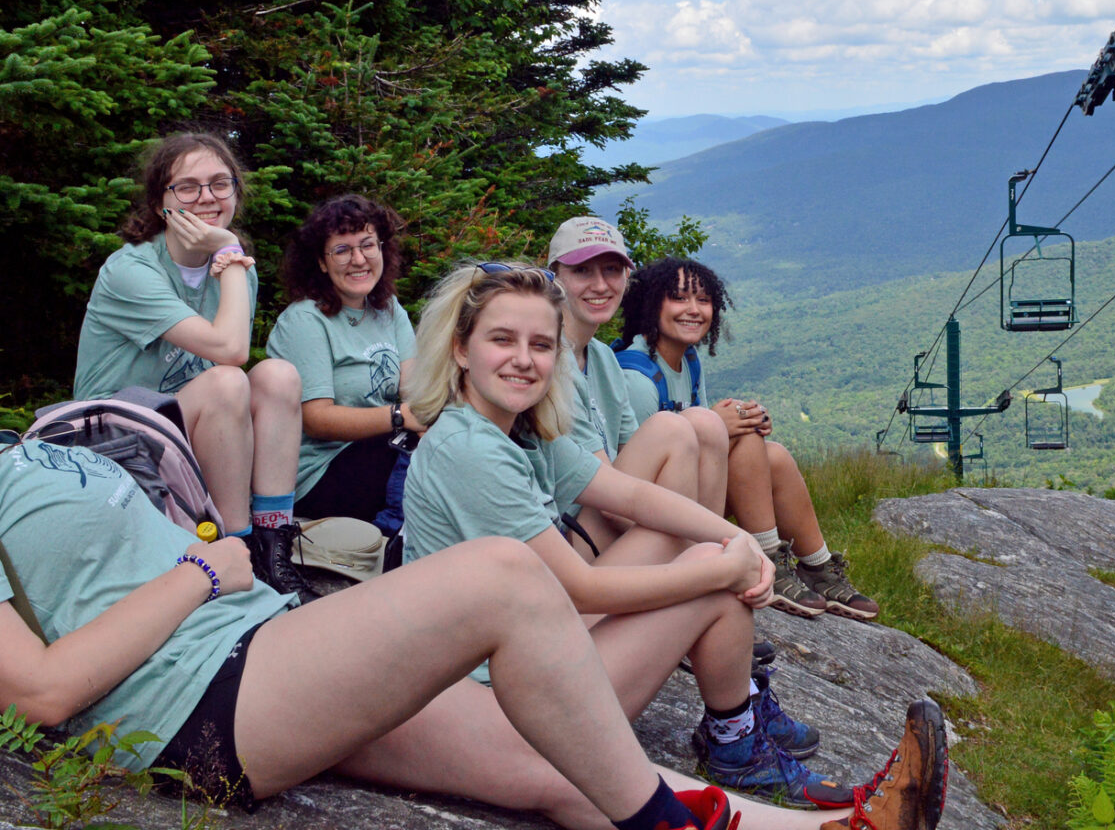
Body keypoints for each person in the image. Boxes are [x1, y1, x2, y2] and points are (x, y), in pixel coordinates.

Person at [0, 432, 947, 830]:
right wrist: (203, 569)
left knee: (560, 759)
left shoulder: (27, 451)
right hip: (195, 703)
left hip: (261, 653)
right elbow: (39, 690)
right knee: (498, 574)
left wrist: (202, 570)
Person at [400, 263, 869, 809]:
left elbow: (628, 494)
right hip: (499, 697)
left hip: (519, 647)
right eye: (502, 340)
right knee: (712, 586)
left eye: (541, 345)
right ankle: (734, 744)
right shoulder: (472, 451)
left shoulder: (514, 431)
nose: (525, 360)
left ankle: (736, 712)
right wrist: (720, 569)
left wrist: (736, 542)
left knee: (703, 549)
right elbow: (576, 589)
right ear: (460, 349)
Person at [72, 132, 311, 601]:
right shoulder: (131, 271)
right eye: (187, 186)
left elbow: (237, 356)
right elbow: (230, 350)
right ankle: (236, 553)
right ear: (161, 203)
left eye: (221, 184)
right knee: (227, 382)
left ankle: (273, 545)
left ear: (236, 194)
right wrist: (230, 252)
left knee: (278, 376)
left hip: (181, 429)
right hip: (113, 443)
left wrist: (230, 260)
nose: (206, 197)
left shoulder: (234, 267)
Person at [616, 258, 878, 623]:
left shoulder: (687, 359)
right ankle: (766, 558)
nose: (693, 310)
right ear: (650, 305)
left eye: (703, 300)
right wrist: (720, 427)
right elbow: (635, 476)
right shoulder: (636, 378)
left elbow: (700, 429)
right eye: (678, 298)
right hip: (652, 514)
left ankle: (817, 566)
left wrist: (744, 419)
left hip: (691, 494)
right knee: (744, 436)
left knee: (774, 455)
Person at [547, 217, 730, 542]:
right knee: (671, 428)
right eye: (582, 271)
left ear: (627, 277)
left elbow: (632, 452)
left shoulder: (602, 357)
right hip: (571, 537)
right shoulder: (549, 362)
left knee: (705, 422)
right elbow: (608, 495)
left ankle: (710, 552)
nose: (601, 285)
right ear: (555, 276)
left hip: (609, 514)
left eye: (612, 271)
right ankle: (703, 555)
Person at [266, 195, 422, 527]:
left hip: (384, 450)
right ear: (321, 263)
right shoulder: (306, 320)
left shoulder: (389, 309)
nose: (358, 259)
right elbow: (317, 420)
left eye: (367, 245)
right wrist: (400, 416)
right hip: (322, 473)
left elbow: (416, 388)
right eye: (342, 250)